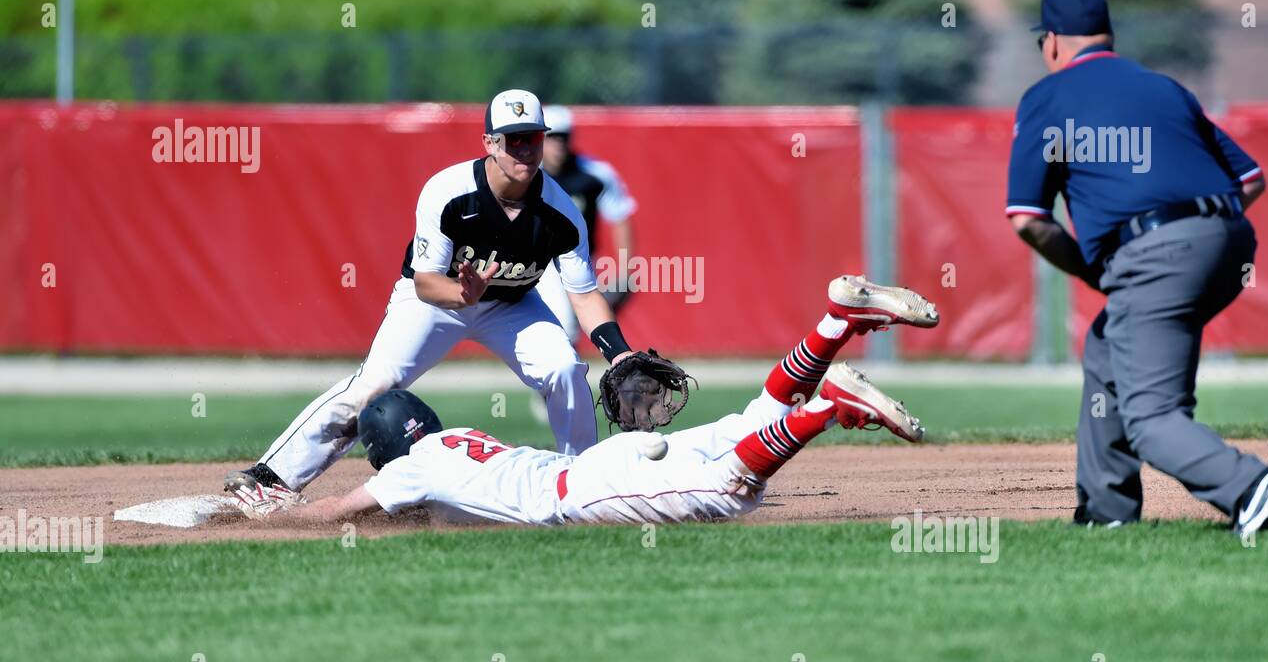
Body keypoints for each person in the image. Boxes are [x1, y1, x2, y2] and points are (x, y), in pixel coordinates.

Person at [224, 89, 647, 519]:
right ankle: (271, 477)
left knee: (564, 368)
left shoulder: (560, 211)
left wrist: (620, 353)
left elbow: (583, 293)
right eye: (512, 139)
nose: (524, 149)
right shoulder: (449, 191)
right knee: (375, 383)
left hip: (512, 305)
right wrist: (462, 294)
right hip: (434, 302)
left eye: (532, 138)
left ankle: (583, 481)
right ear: (489, 143)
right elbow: (426, 282)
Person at [256, 275, 940, 526]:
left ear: (384, 451)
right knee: (748, 422)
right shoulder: (457, 439)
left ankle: (830, 407)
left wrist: (279, 513)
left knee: (730, 489)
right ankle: (833, 323)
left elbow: (341, 511)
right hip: (590, 464)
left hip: (585, 494)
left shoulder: (407, 472)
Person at [1006, 0, 1268, 537]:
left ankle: (1254, 487)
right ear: (1106, 37)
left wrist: (1104, 269)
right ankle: (1106, 512)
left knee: (1151, 418)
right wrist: (1199, 232)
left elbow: (1029, 219)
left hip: (1156, 250)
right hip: (1232, 239)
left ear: (1051, 45)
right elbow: (1250, 180)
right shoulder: (1164, 89)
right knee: (1107, 347)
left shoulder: (1047, 98)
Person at [534, 104, 638, 343]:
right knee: (565, 327)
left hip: (578, 259)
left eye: (564, 137)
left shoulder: (593, 174)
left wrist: (626, 269)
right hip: (539, 260)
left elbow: (620, 217)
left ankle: (563, 376)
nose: (559, 143)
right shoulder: (528, 175)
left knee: (571, 327)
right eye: (552, 137)